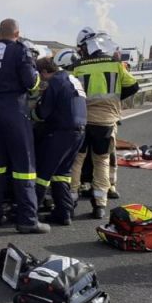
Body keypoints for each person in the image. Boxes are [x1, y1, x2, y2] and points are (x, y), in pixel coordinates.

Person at [0, 18, 50, 234]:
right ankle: (28, 220)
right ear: (17, 33)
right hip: (14, 111)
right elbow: (31, 83)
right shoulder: (20, 51)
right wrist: (36, 76)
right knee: (24, 167)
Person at [69, 27, 139, 219]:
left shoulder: (78, 66)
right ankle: (100, 204)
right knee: (102, 161)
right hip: (107, 121)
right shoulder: (115, 65)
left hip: (83, 120)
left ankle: (71, 200)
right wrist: (115, 100)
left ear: (85, 46)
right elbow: (133, 86)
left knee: (77, 160)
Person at [30, 56, 87, 225]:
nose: (41, 80)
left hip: (61, 132)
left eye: (40, 76)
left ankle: (29, 214)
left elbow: (43, 113)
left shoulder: (55, 82)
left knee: (43, 174)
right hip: (79, 132)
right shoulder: (71, 79)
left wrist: (30, 114)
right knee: (62, 174)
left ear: (45, 72)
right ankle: (64, 213)